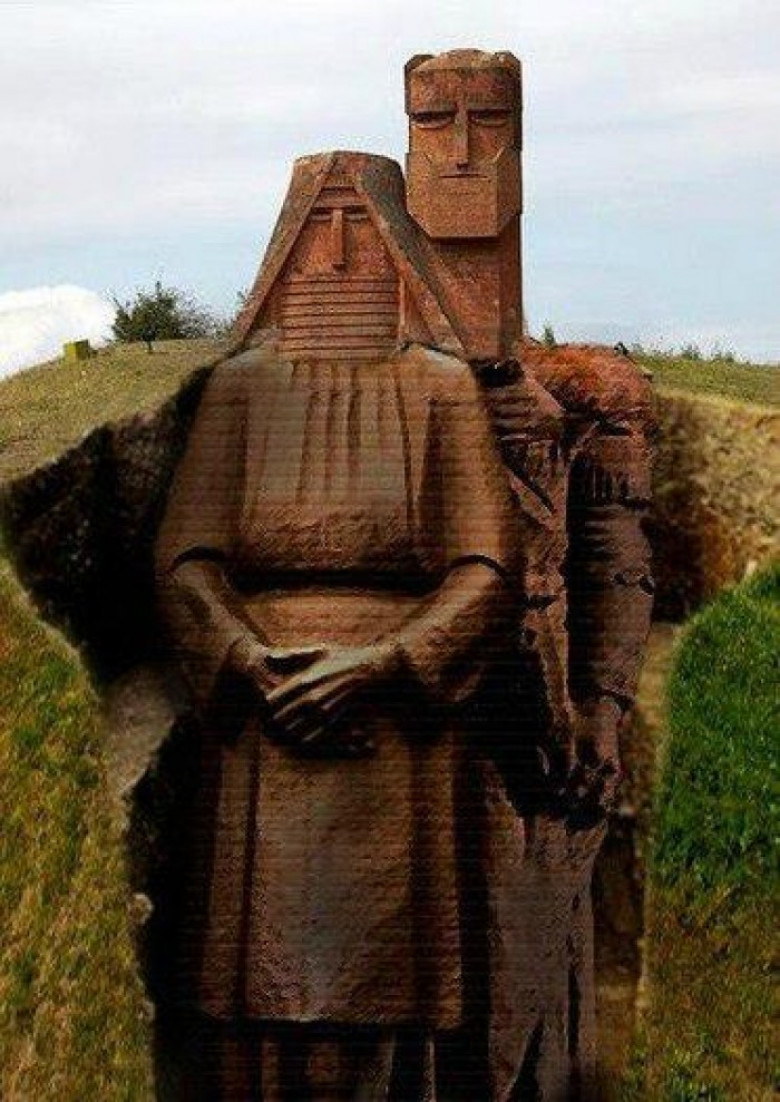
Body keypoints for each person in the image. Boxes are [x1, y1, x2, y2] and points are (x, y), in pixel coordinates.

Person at [155, 152, 546, 1101]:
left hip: (398, 731)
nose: (336, 252)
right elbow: (185, 558)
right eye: (319, 225)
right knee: (260, 988)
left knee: (388, 983)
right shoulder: (239, 390)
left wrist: (388, 664)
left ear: (397, 245)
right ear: (287, 244)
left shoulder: (442, 390)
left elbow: (489, 568)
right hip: (264, 725)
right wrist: (246, 658)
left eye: (359, 226)